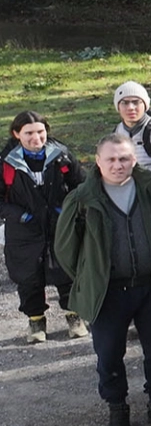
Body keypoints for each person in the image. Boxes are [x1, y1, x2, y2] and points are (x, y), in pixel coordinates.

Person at [56, 136, 151, 426]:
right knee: (109, 353)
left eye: (124, 158)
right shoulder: (82, 198)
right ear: (97, 162)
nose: (118, 165)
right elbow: (65, 249)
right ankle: (117, 408)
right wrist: (91, 276)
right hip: (109, 292)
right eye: (111, 159)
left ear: (134, 160)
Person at [3, 111, 85, 342]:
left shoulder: (62, 156)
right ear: (16, 134)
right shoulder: (7, 162)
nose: (36, 138)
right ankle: (36, 321)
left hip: (60, 226)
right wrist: (20, 215)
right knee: (28, 277)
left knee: (66, 270)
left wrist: (68, 210)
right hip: (23, 231)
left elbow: (82, 186)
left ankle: (74, 316)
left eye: (40, 132)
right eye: (28, 133)